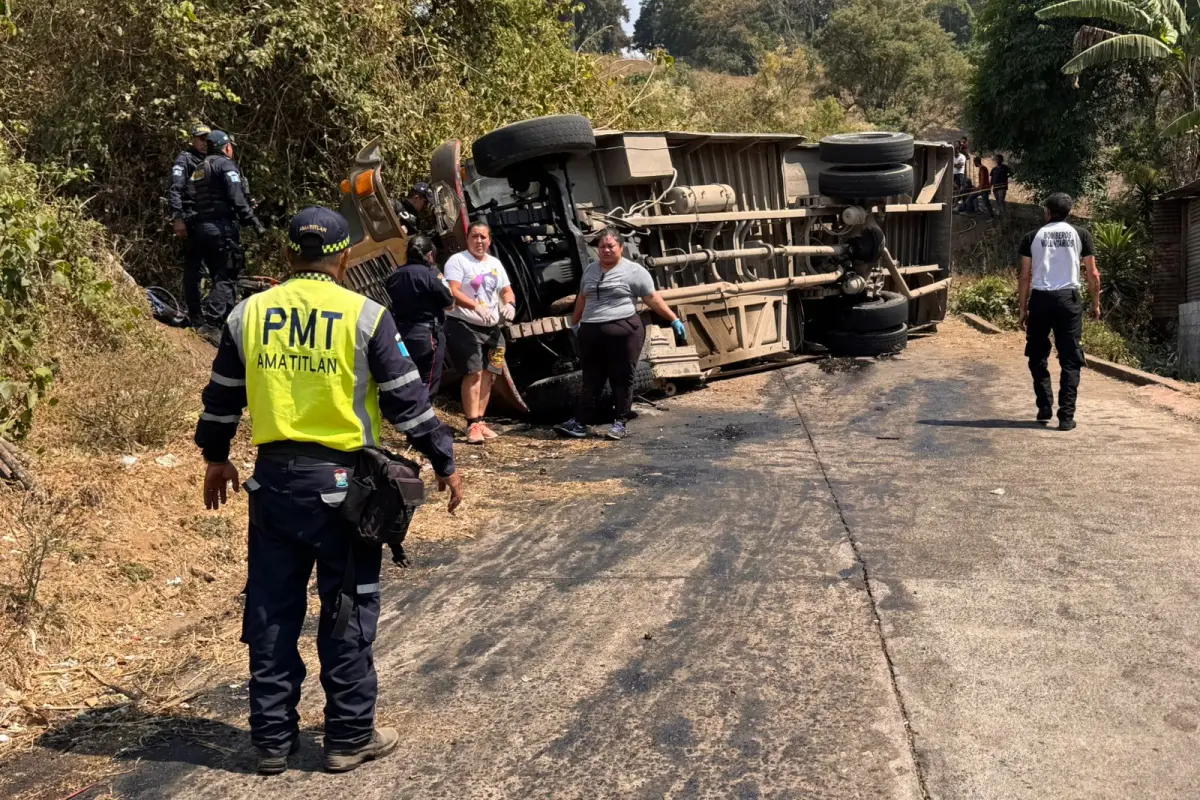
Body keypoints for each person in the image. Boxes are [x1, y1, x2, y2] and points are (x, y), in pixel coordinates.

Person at [195, 206, 464, 776]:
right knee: (346, 610)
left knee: (271, 610)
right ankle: (347, 738)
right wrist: (444, 459)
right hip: (345, 491)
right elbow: (406, 401)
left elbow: (221, 397)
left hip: (273, 483)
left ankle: (271, 742)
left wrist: (216, 458)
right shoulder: (365, 315)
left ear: (288, 255)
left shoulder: (247, 314)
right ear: (343, 259)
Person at [554, 228, 687, 441]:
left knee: (622, 377)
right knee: (592, 379)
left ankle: (620, 423)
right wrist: (575, 322)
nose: (605, 250)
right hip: (591, 333)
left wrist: (673, 319)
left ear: (621, 248)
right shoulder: (590, 270)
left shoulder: (634, 271)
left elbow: (652, 298)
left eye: (610, 246)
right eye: (602, 247)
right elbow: (581, 298)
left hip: (624, 331)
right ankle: (580, 423)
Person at [1017, 193, 1101, 431]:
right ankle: (1066, 416)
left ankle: (1044, 405)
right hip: (1069, 300)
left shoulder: (1032, 237)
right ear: (1069, 211)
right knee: (1070, 358)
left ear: (1047, 212)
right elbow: (1092, 274)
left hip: (1041, 299)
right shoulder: (1081, 234)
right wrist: (1095, 303)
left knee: (1037, 355)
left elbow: (1025, 276)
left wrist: (1023, 309)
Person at [186, 130, 265, 335]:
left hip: (202, 228)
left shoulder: (199, 168)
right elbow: (237, 198)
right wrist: (254, 222)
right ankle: (212, 324)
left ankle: (221, 324)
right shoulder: (225, 165)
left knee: (217, 275)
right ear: (227, 147)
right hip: (221, 228)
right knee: (227, 275)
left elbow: (191, 194)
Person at [443, 222, 516, 445]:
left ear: (489, 240)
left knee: (491, 373)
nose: (479, 241)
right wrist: (476, 307)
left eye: (483, 237)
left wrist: (510, 304)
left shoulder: (494, 263)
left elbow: (506, 290)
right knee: (473, 373)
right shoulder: (458, 261)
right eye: (475, 236)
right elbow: (453, 290)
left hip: (492, 328)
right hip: (465, 324)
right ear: (467, 239)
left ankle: (481, 421)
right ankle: (471, 423)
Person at [384, 235, 453, 397]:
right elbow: (449, 303)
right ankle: (424, 416)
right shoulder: (431, 274)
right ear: (430, 255)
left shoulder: (395, 275)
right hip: (427, 335)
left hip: (401, 334)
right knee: (428, 382)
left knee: (407, 378)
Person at [168, 124, 210, 324]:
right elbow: (175, 189)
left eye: (207, 140)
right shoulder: (185, 159)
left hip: (208, 220)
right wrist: (178, 218)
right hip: (191, 218)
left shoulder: (210, 161)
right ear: (193, 139)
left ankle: (206, 312)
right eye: (201, 139)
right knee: (194, 268)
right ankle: (195, 313)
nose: (204, 143)